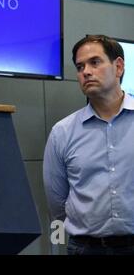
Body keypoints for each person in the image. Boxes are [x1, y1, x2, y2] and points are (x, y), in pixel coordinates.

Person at [43, 34, 134, 255]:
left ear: (119, 67)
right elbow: (57, 202)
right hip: (86, 249)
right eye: (80, 66)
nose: (86, 72)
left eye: (95, 62)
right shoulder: (62, 132)